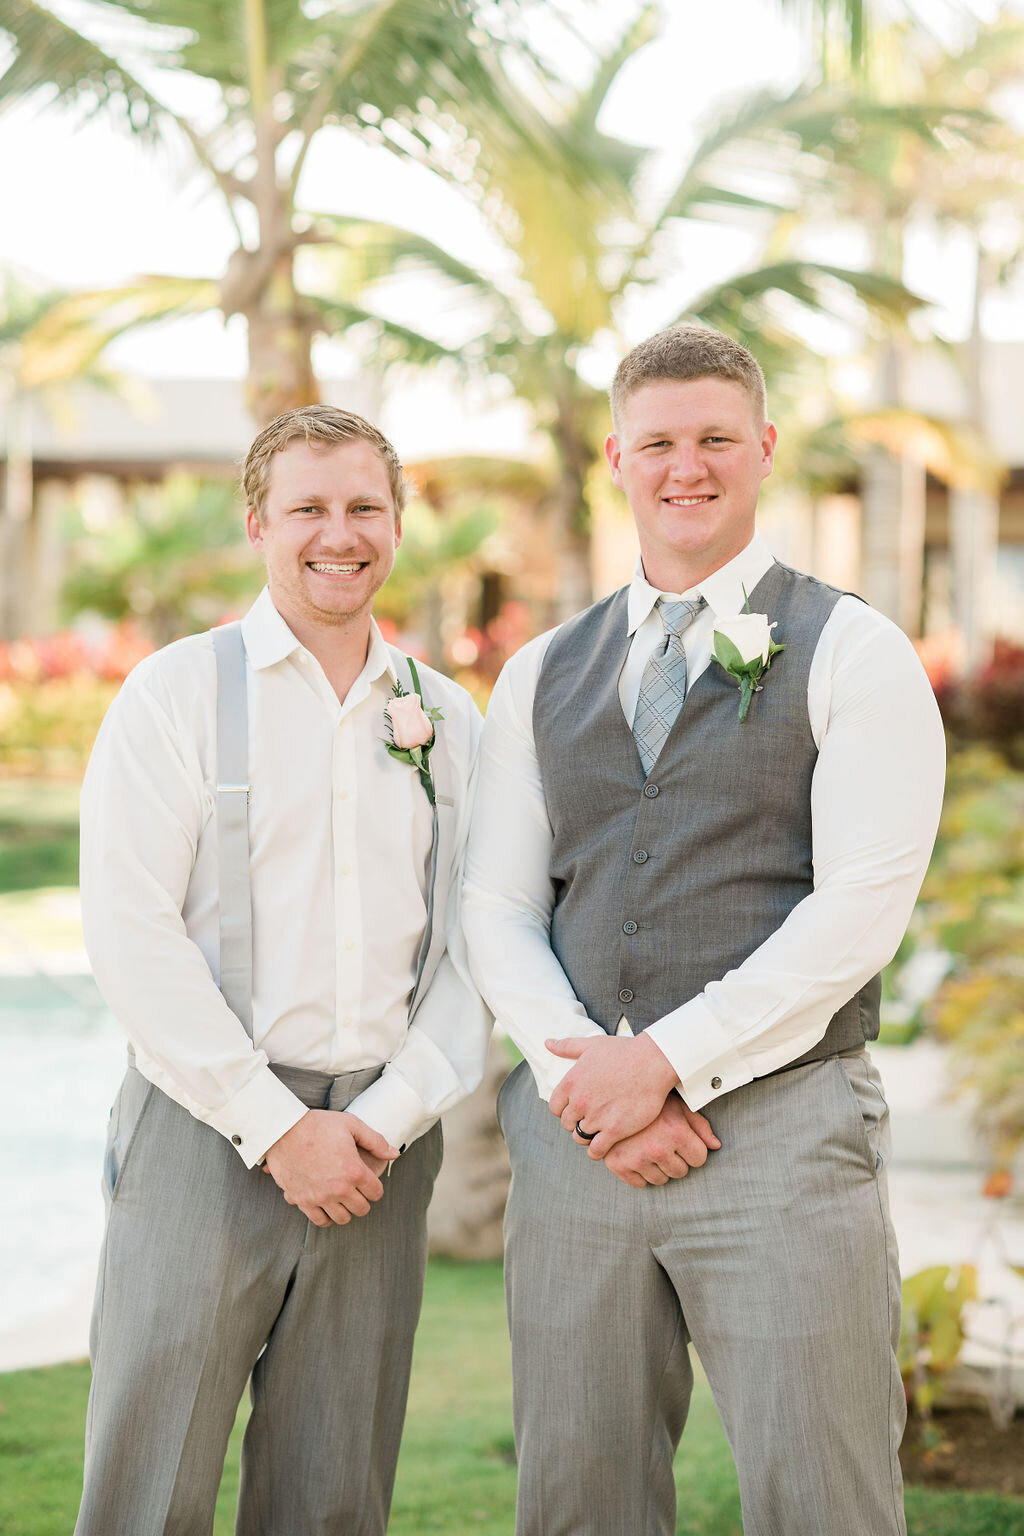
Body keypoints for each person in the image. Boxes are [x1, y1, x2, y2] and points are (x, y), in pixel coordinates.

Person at [464, 325, 945, 1536]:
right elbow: (501, 905)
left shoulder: (854, 651)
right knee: (576, 1502)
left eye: (716, 438)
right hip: (579, 1150)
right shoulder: (537, 672)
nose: (689, 466)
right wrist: (587, 1077)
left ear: (764, 450)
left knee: (820, 1496)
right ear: (616, 461)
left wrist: (662, 1064)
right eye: (660, 442)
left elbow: (855, 914)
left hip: (783, 1138)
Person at [75, 405, 489, 1536]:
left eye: (364, 507)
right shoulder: (174, 694)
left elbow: (476, 943)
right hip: (203, 1129)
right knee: (146, 1488)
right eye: (308, 507)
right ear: (259, 522)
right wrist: (273, 1123)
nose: (337, 533)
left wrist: (389, 1117)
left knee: (332, 1495)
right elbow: (130, 932)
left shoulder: (446, 719)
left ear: (397, 525)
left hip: (379, 1154)